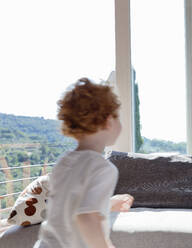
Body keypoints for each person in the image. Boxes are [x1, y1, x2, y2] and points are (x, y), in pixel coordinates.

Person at [34, 78, 134, 248]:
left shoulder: (64, 162)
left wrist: (109, 203)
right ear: (109, 121)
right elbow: (86, 218)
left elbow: (70, 205)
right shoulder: (103, 168)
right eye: (119, 118)